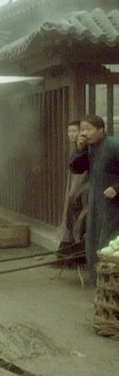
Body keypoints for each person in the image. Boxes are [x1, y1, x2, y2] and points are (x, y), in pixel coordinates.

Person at [70, 114, 119, 284]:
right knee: (93, 239)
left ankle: (109, 281)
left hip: (114, 205)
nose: (84, 133)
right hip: (96, 201)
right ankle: (96, 280)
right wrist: (79, 149)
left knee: (109, 241)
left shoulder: (113, 146)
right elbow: (76, 168)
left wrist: (116, 188)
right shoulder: (89, 149)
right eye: (82, 129)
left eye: (89, 129)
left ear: (101, 130)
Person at [58, 120, 88, 264]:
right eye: (69, 131)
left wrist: (73, 196)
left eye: (74, 131)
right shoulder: (75, 149)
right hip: (73, 191)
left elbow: (80, 178)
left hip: (81, 193)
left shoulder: (84, 151)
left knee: (78, 223)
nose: (71, 134)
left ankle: (77, 255)